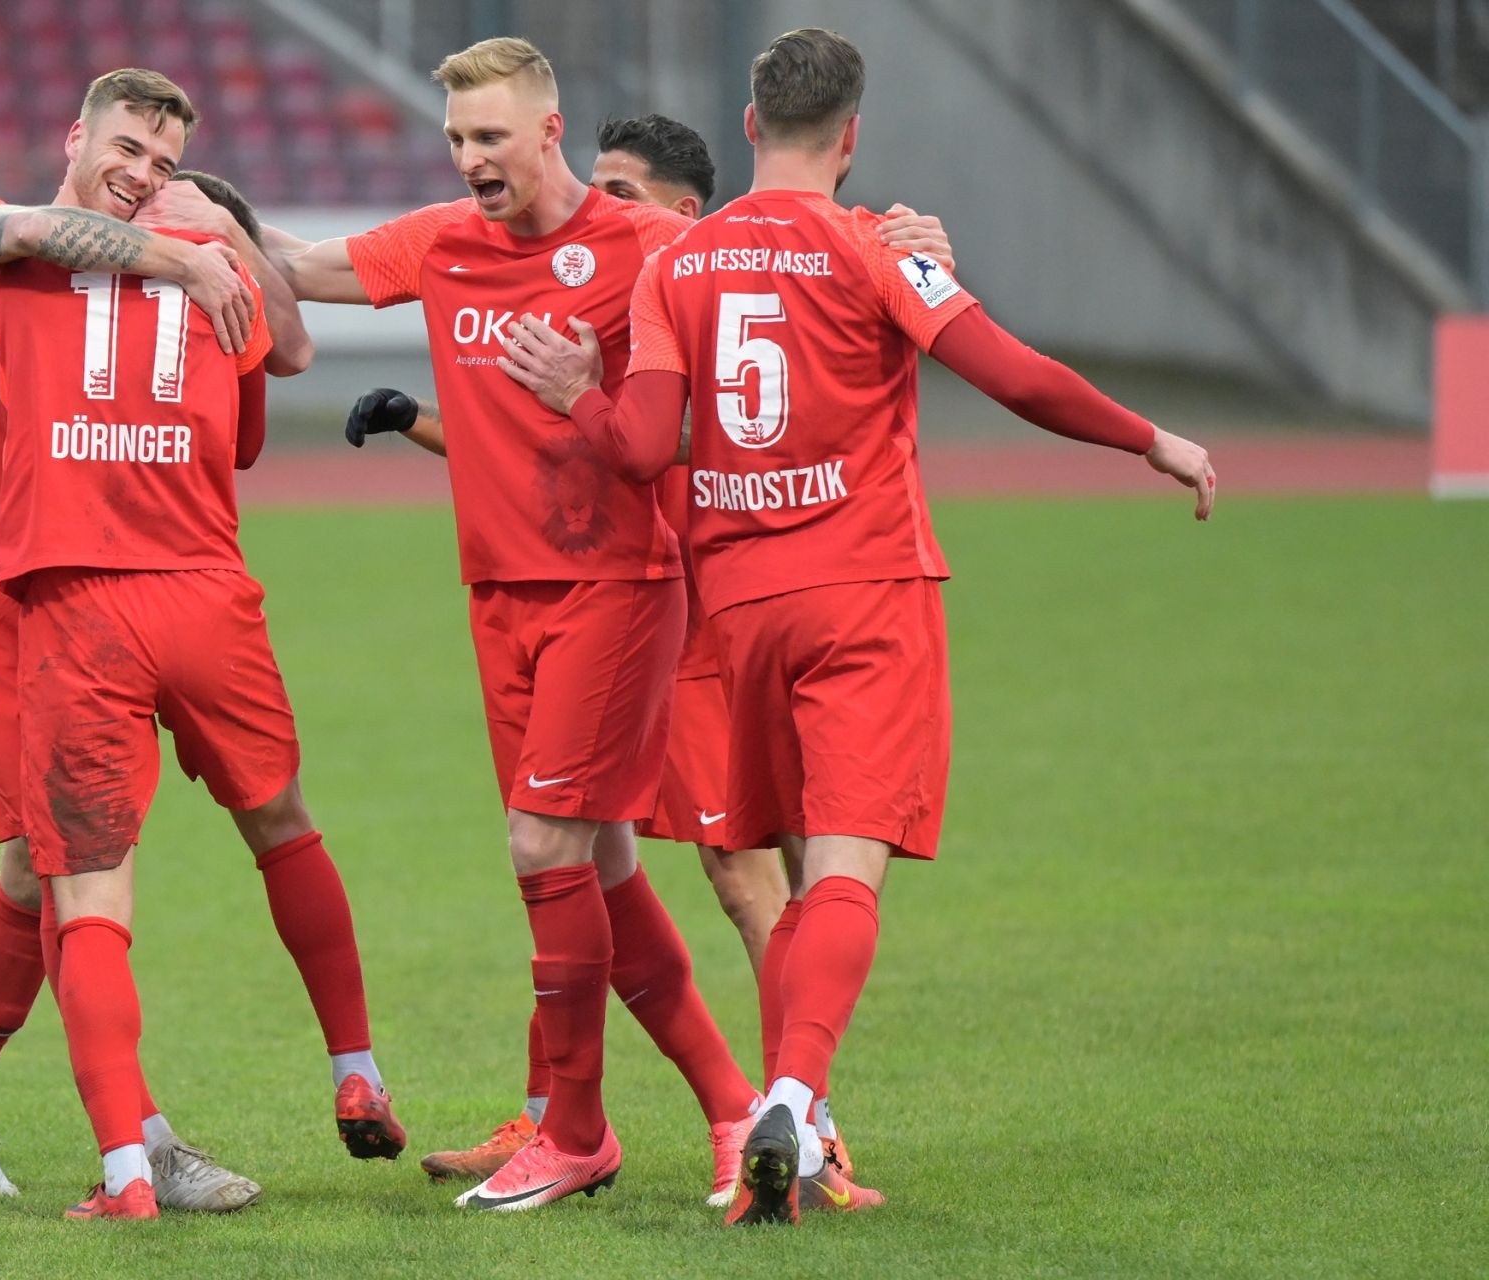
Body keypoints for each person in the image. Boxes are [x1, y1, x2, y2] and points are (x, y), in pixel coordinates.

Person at [499, 27, 1215, 1226]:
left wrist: (578, 393)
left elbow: (643, 447)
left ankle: (800, 1122)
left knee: (781, 873)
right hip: (866, 591)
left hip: (740, 609)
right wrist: (1150, 437)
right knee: (841, 866)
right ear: (852, 136)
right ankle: (793, 1098)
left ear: (748, 127)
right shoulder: (878, 246)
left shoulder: (676, 263)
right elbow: (1011, 372)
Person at [343, 113, 916, 1211]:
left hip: (700, 617)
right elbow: (558, 448)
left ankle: (802, 1122)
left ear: (686, 216)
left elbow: (691, 437)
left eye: (625, 192)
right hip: (631, 610)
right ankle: (598, 1111)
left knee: (744, 873)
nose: (602, 208)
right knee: (589, 852)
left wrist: (902, 241)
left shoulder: (698, 294)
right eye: (596, 185)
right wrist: (423, 417)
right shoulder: (619, 302)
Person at [264, 37, 772, 1213]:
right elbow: (299, 264)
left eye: (489, 135)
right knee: (601, 865)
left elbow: (773, 281)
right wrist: (185, 215)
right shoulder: (442, 240)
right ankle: (734, 1108)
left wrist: (898, 246)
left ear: (549, 131)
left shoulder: (644, 244)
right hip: (500, 597)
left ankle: (577, 1132)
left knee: (544, 849)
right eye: (456, 138)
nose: (470, 157)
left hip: (615, 587)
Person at [0, 69, 399, 1218]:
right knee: (49, 861)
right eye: (127, 148)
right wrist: (182, 253)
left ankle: (10, 1113)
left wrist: (215, 242)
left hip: (93, 578)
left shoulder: (159, 271)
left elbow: (282, 356)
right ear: (75, 135)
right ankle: (109, 1134)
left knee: (59, 865)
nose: (142, 175)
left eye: (164, 165)